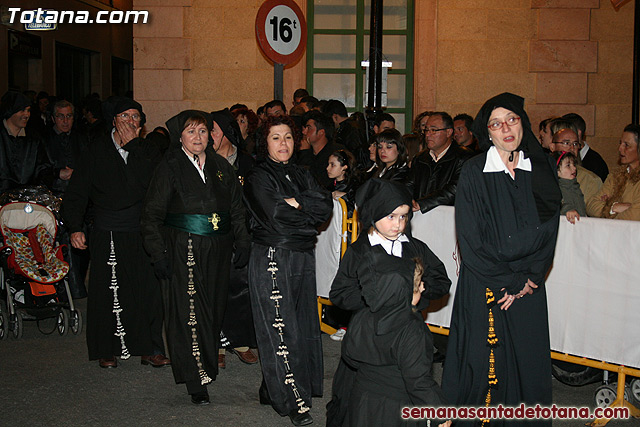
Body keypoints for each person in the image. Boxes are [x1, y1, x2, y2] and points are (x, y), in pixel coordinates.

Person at [442, 93, 561, 424]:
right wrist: (509, 281)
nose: (506, 128)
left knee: (527, 365)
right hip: (486, 284)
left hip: (529, 288)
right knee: (483, 368)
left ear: (522, 123)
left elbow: (550, 230)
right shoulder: (474, 172)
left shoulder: (541, 168)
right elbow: (470, 239)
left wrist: (531, 278)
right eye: (497, 123)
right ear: (488, 132)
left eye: (512, 119)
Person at [141, 110, 251, 405]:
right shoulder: (170, 167)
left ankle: (207, 366)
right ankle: (195, 379)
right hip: (183, 250)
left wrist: (242, 240)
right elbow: (151, 214)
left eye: (203, 131)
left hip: (219, 250)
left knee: (212, 312)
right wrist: (158, 253)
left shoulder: (220, 166)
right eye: (192, 132)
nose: (199, 138)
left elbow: (237, 208)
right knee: (189, 314)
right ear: (180, 137)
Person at [326, 178, 451, 427]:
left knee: (408, 389)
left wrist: (414, 299)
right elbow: (339, 293)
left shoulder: (414, 247)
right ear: (374, 214)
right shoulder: (360, 251)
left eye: (404, 217)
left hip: (404, 334)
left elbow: (441, 281)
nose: (399, 224)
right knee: (356, 406)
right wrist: (374, 298)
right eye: (392, 217)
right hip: (371, 336)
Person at [63, 96, 168, 369]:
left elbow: (155, 185)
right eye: (125, 117)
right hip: (108, 228)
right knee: (108, 291)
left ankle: (151, 348)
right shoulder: (96, 150)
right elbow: (76, 194)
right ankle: (105, 349)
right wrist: (75, 227)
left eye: (136, 117)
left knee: (147, 291)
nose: (131, 122)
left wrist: (133, 147)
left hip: (142, 228)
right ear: (113, 121)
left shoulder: (147, 149)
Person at [243, 114, 332, 426]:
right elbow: (277, 216)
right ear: (265, 142)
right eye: (276, 137)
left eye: (289, 137)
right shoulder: (257, 176)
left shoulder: (302, 172)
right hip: (273, 256)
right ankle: (293, 400)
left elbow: (325, 208)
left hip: (302, 256)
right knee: (281, 328)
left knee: (302, 325)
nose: (284, 144)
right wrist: (300, 207)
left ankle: (272, 386)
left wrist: (298, 203)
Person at [339, 254, 448, 427]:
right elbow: (418, 380)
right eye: (419, 285)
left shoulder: (363, 314)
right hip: (396, 405)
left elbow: (349, 355)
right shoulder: (413, 328)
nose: (424, 288)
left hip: (362, 400)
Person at [210, 108, 258, 368]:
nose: (209, 135)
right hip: (212, 235)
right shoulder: (202, 161)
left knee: (240, 288)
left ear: (227, 133)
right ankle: (216, 342)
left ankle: (240, 341)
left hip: (241, 234)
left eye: (213, 130)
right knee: (213, 288)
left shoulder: (247, 163)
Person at [408, 111, 471, 214]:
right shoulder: (420, 158)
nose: (428, 135)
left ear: (449, 132)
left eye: (433, 130)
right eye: (426, 130)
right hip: (420, 217)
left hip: (450, 218)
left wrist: (422, 204)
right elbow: (409, 185)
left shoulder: (464, 157)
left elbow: (454, 190)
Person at [0, 90, 52, 192]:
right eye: (22, 110)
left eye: (28, 110)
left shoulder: (34, 139)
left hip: (27, 199)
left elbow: (43, 168)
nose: (26, 114)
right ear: (11, 110)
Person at [586, 124, 640, 221]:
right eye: (620, 143)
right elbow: (591, 205)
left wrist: (608, 204)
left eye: (626, 145)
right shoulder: (615, 176)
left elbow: (635, 215)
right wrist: (614, 207)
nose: (620, 148)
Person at [554, 151, 586, 224]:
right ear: (557, 171)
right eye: (568, 165)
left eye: (574, 164)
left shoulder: (575, 186)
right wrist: (567, 210)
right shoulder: (556, 188)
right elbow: (559, 204)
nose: (574, 168)